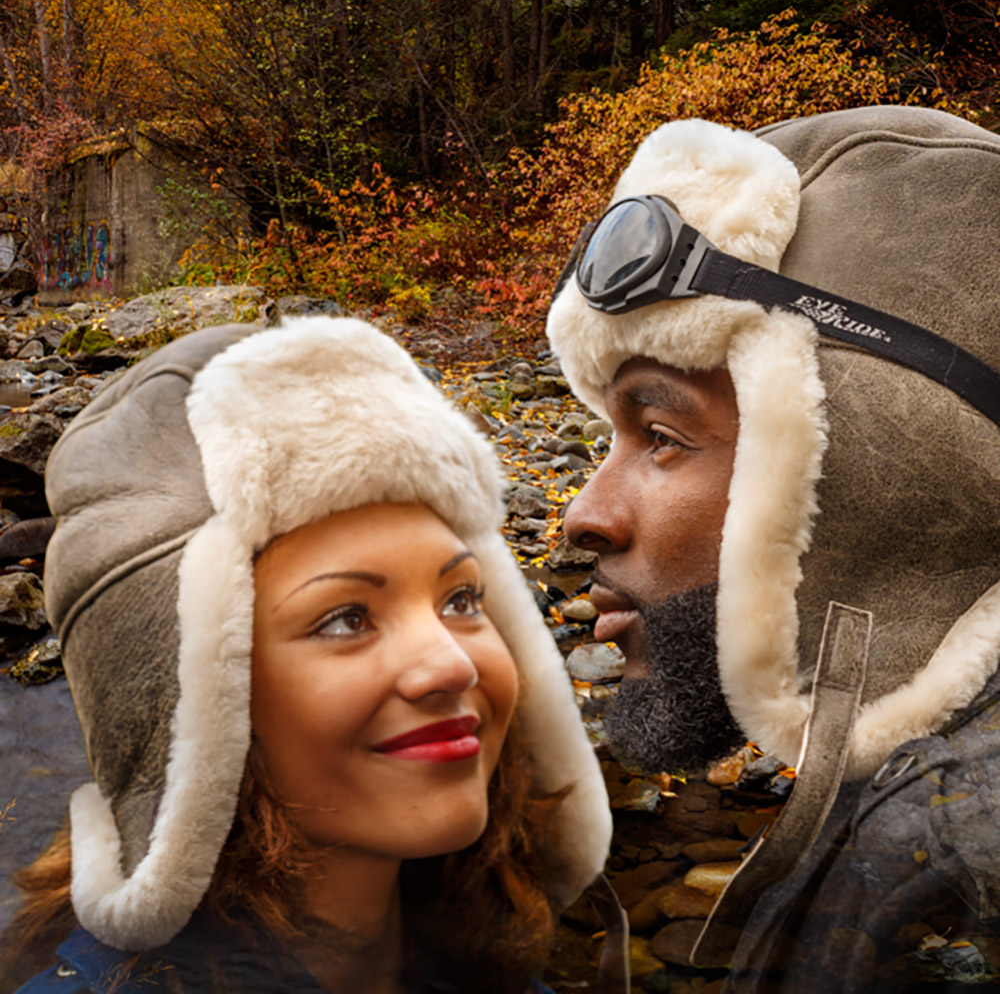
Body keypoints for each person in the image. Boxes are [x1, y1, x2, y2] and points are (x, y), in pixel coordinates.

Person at [1, 316, 614, 993]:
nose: (453, 665)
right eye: (346, 618)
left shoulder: (485, 965)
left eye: (463, 601)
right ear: (198, 709)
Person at [546, 105, 1000, 992]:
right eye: (608, 436)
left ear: (869, 476)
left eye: (662, 435)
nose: (582, 513)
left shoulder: (955, 851)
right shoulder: (933, 787)